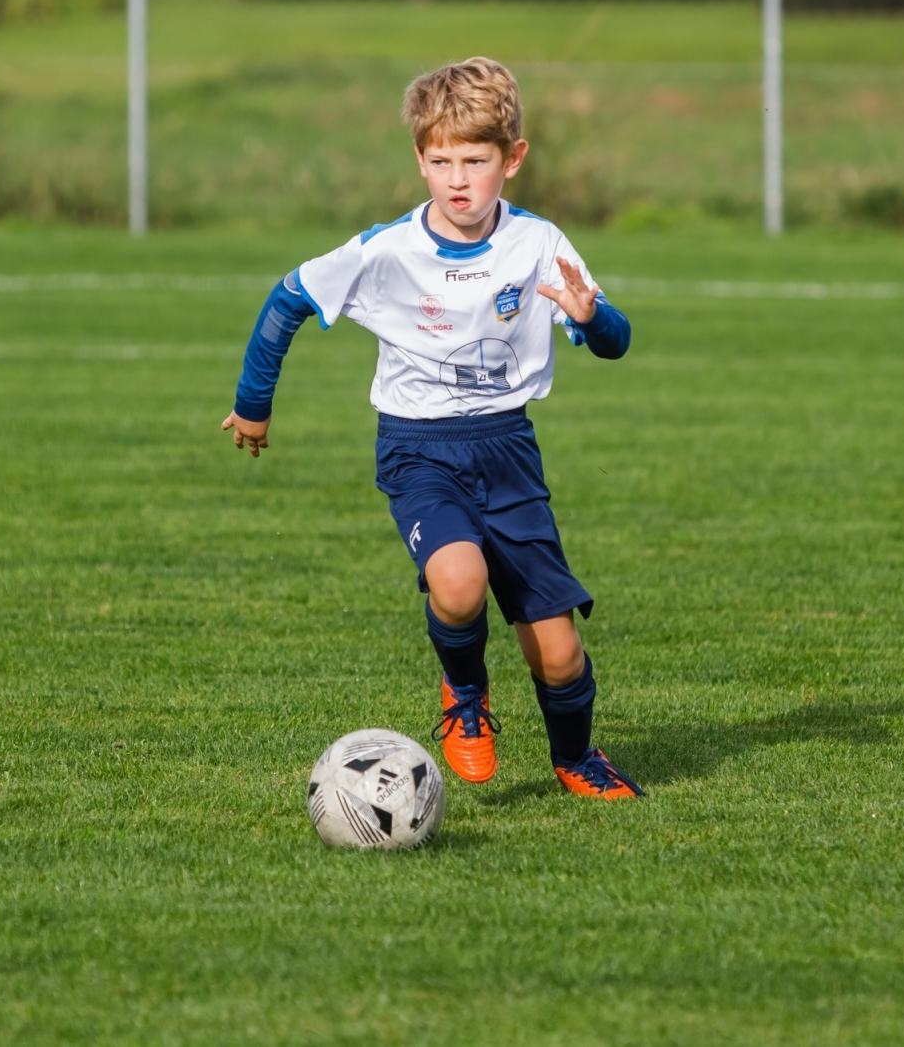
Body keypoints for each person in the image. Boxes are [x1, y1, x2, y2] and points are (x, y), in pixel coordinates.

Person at [220, 57, 642, 801]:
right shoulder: (388, 250)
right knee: (458, 579)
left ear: (512, 159)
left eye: (475, 160)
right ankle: (465, 695)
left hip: (509, 450)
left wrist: (593, 318)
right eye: (441, 160)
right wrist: (255, 402)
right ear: (419, 159)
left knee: (561, 652)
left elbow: (614, 341)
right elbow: (287, 299)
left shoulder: (539, 244)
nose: (457, 178)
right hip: (418, 447)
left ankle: (577, 758)